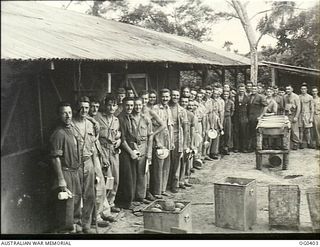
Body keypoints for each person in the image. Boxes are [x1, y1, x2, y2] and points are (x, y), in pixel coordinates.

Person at [50, 102, 82, 233]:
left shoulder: (72, 129)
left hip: (75, 171)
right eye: (64, 113)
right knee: (66, 206)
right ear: (59, 115)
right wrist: (61, 179)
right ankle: (65, 232)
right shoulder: (58, 133)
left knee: (76, 202)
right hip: (65, 172)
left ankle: (74, 227)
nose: (68, 116)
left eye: (69, 112)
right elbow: (55, 158)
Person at [72, 96, 99, 233]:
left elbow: (93, 146)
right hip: (75, 164)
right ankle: (76, 222)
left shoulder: (91, 124)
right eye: (81, 107)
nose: (84, 110)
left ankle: (86, 222)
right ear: (77, 108)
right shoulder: (70, 124)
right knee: (76, 194)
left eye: (87, 108)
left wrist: (96, 167)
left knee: (90, 195)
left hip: (88, 162)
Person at [89, 98, 115, 227]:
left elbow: (97, 140)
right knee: (97, 187)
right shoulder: (86, 122)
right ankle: (96, 217)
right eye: (91, 107)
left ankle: (105, 211)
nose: (94, 109)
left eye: (96, 106)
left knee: (104, 185)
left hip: (99, 153)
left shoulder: (95, 121)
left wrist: (103, 157)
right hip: (89, 157)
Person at [94, 94, 121, 213]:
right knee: (105, 179)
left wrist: (119, 140)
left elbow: (118, 133)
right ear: (105, 105)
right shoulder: (98, 117)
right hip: (102, 150)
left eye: (114, 105)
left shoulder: (116, 120)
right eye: (109, 105)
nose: (111, 107)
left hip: (113, 151)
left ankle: (111, 201)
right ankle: (104, 207)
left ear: (116, 107)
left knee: (115, 179)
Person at [139, 90, 166, 201]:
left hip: (148, 142)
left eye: (146, 99)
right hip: (138, 142)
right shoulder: (135, 110)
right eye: (143, 99)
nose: (145, 101)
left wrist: (152, 134)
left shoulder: (150, 112)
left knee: (146, 167)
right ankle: (140, 193)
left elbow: (163, 125)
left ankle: (148, 191)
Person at [114, 97, 137, 209]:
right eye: (127, 105)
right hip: (124, 151)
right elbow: (122, 140)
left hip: (132, 148)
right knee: (126, 177)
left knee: (132, 175)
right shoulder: (120, 119)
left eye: (131, 105)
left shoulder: (130, 117)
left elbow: (133, 136)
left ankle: (130, 200)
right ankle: (124, 203)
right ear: (123, 105)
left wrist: (135, 150)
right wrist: (131, 152)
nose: (129, 108)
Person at [150, 89, 174, 198]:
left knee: (166, 165)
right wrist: (157, 141)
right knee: (158, 166)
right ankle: (157, 191)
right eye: (163, 96)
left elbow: (170, 127)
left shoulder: (168, 108)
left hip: (167, 139)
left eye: (167, 97)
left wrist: (171, 141)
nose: (165, 99)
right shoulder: (155, 109)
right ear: (160, 97)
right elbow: (151, 127)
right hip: (158, 140)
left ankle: (163, 189)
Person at [131, 97, 154, 203]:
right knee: (132, 172)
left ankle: (141, 196)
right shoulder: (129, 118)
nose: (137, 107)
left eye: (139, 105)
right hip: (132, 147)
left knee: (142, 172)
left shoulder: (146, 119)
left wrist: (149, 153)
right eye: (135, 105)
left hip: (144, 146)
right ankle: (133, 196)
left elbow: (150, 136)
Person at [169, 89, 188, 193]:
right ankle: (167, 183)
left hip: (178, 138)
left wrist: (185, 143)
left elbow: (185, 128)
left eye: (177, 95)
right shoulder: (166, 108)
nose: (175, 97)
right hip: (168, 138)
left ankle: (175, 183)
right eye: (173, 95)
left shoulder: (182, 110)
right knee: (168, 162)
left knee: (177, 162)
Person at [179, 96, 194, 188]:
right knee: (179, 162)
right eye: (182, 101)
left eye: (186, 102)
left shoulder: (190, 115)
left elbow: (192, 130)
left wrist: (191, 143)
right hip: (178, 139)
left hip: (186, 140)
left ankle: (185, 179)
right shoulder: (178, 112)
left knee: (186, 160)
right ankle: (178, 181)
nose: (184, 103)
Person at [247, 85, 268, 151]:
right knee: (251, 132)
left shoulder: (261, 97)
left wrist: (261, 116)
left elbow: (265, 106)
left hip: (257, 117)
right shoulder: (249, 97)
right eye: (252, 89)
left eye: (255, 89)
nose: (253, 90)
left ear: (257, 90)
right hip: (250, 117)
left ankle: (259, 146)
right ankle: (251, 147)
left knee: (258, 132)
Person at [233, 83, 250, 153]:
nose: (241, 91)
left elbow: (249, 109)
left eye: (243, 90)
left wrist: (247, 117)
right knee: (236, 132)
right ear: (238, 90)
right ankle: (236, 147)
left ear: (245, 90)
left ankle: (243, 148)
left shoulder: (247, 98)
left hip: (244, 116)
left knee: (244, 132)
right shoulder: (235, 97)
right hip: (236, 116)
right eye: (240, 90)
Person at [283, 85, 301, 150]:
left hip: (293, 114)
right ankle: (287, 144)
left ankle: (296, 143)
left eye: (289, 89)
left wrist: (296, 116)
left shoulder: (296, 96)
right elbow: (284, 106)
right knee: (286, 129)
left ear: (292, 89)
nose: (287, 90)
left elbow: (299, 108)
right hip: (287, 114)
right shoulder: (284, 96)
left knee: (294, 130)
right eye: (286, 89)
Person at [299, 83, 314, 149]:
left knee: (307, 130)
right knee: (301, 130)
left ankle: (308, 143)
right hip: (300, 114)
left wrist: (311, 117)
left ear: (307, 89)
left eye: (304, 89)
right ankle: (301, 143)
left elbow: (312, 108)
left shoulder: (310, 97)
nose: (303, 90)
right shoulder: (298, 97)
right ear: (300, 90)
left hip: (307, 114)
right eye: (302, 89)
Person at [221, 90, 234, 155]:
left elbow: (232, 111)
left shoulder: (231, 102)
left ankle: (226, 147)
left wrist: (229, 115)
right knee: (221, 132)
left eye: (227, 94)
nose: (225, 96)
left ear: (229, 95)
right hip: (221, 118)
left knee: (228, 133)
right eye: (224, 94)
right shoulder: (221, 101)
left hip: (228, 117)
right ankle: (221, 147)